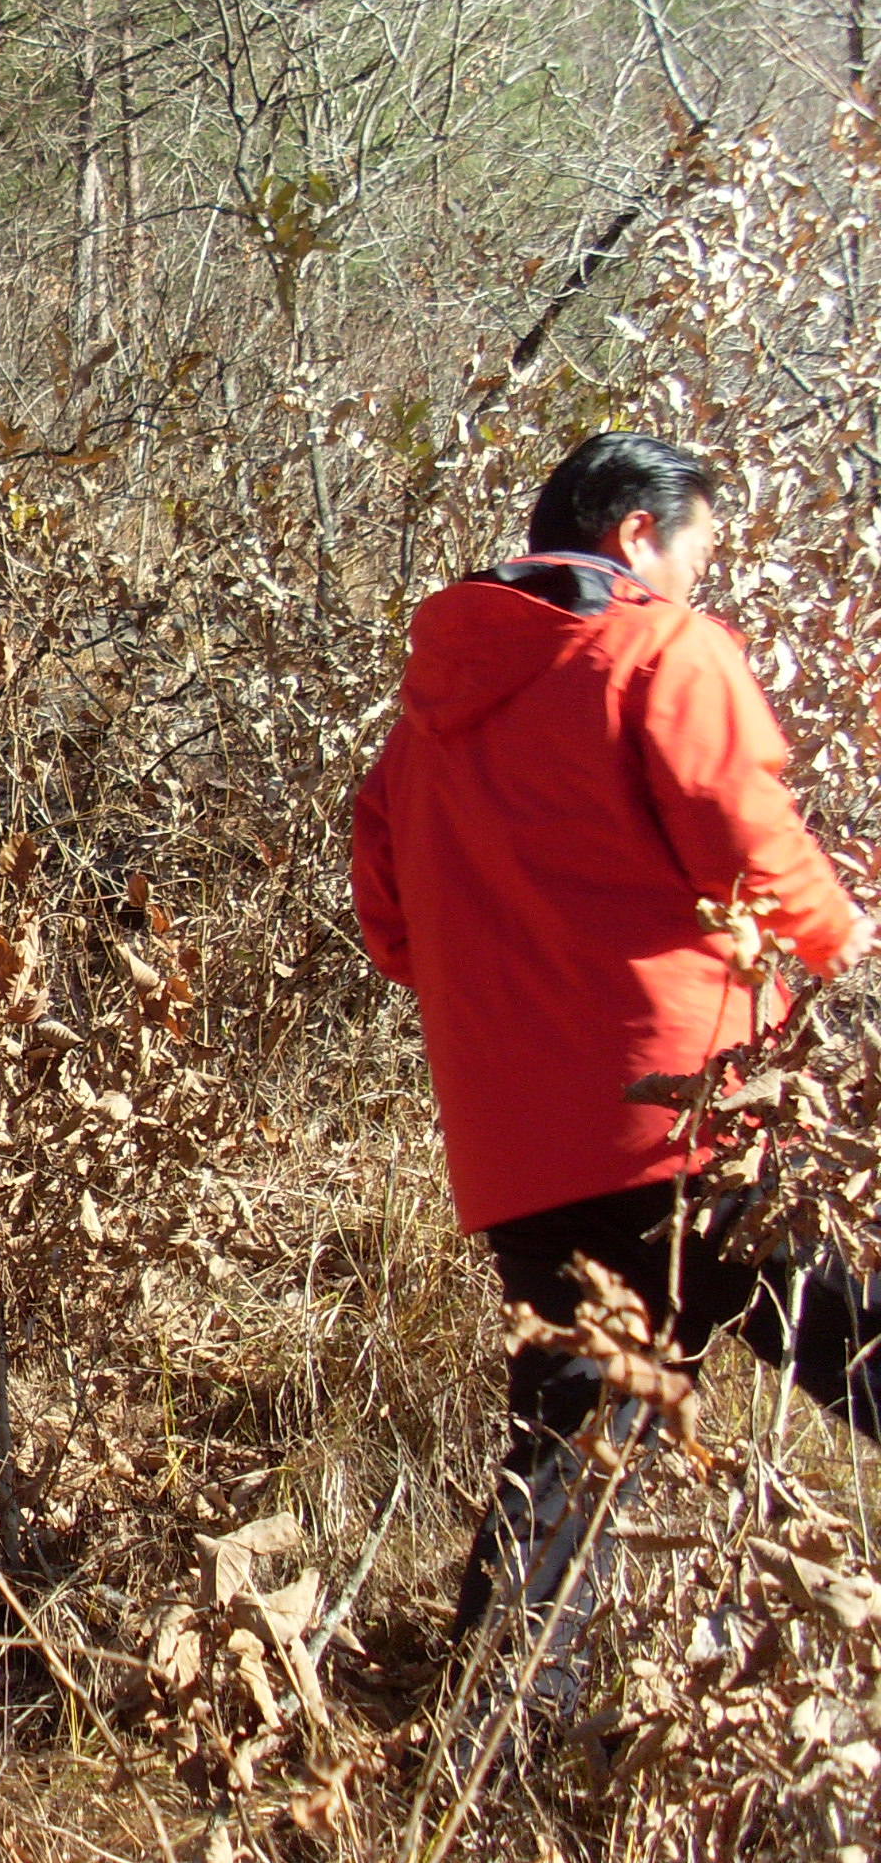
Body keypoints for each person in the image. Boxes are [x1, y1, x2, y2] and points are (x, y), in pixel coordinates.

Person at [351, 432, 877, 1697]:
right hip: (698, 1122)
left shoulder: (421, 729)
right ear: (637, 532)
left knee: (571, 1447)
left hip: (522, 1157)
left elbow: (393, 932)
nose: (700, 578)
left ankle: (499, 1728)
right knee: (862, 1345)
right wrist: (850, 950)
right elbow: (749, 844)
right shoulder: (661, 651)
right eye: (700, 549)